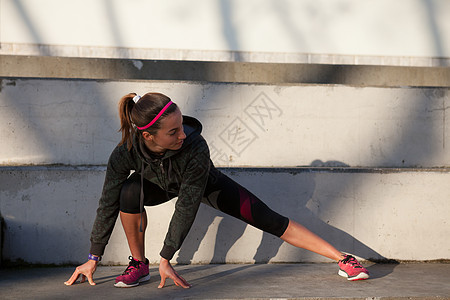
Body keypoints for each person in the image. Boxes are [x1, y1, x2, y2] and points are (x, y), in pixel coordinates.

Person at [65, 92, 369, 288]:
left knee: (268, 219)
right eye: (173, 132)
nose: (183, 134)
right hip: (157, 184)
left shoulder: (195, 146)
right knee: (127, 192)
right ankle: (139, 264)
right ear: (148, 135)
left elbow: (187, 203)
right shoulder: (125, 153)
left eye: (181, 125)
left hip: (204, 184)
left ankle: (343, 258)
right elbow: (106, 204)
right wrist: (94, 255)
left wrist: (168, 256)